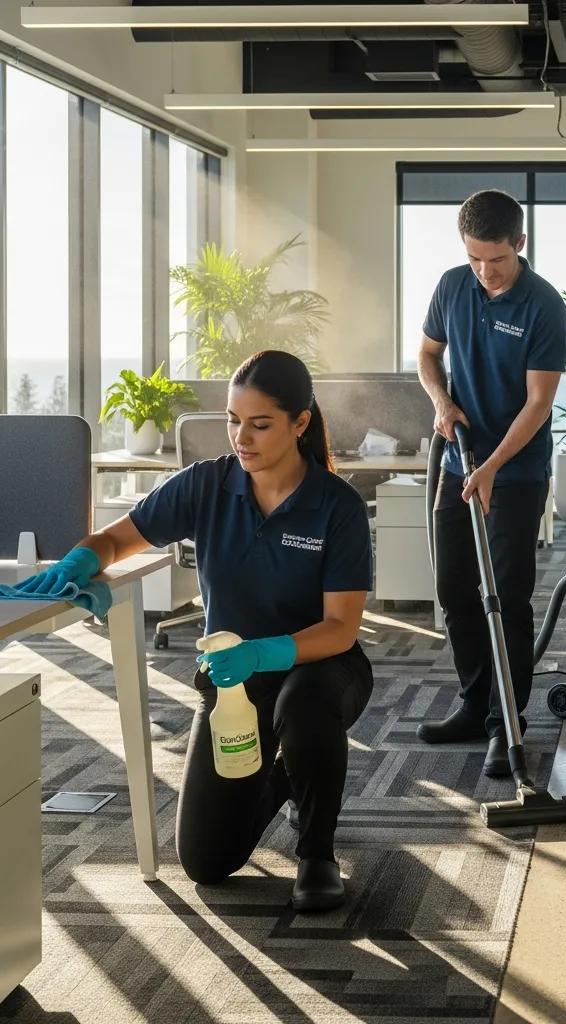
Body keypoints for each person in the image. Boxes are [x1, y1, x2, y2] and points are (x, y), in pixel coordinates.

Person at [14, 351, 374, 912]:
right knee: (207, 862)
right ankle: (287, 774)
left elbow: (341, 628)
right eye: (233, 420)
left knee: (304, 708)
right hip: (232, 681)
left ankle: (316, 853)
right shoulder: (206, 486)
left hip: (319, 668)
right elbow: (113, 540)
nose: (241, 437)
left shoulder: (336, 506)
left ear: (300, 422)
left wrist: (266, 651)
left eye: (259, 424)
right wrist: (77, 564)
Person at [416, 188, 566, 777]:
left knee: (503, 595)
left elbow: (537, 404)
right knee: (455, 589)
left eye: (495, 259)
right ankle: (475, 701)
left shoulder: (543, 306)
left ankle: (508, 720)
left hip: (517, 470)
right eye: (474, 257)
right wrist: (440, 402)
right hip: (459, 460)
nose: (484, 271)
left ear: (520, 244)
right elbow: (429, 356)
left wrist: (493, 468)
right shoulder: (453, 286)